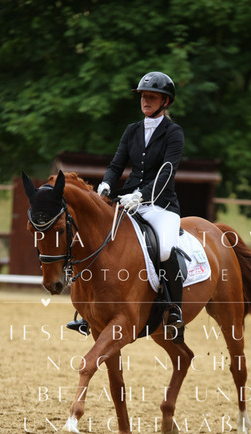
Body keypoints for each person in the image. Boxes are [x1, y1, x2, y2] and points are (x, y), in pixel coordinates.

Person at [67, 71, 185, 340]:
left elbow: (167, 172)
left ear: (166, 101)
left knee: (165, 249)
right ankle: (88, 312)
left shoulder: (174, 133)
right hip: (127, 200)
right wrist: (106, 185)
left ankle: (173, 309)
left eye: (152, 97)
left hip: (160, 204)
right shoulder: (132, 130)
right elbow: (116, 164)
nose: (146, 101)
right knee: (97, 239)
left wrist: (142, 195)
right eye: (143, 96)